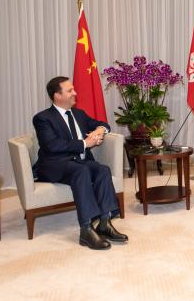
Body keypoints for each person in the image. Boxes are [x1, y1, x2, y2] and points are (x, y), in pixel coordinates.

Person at [33, 76, 128, 250]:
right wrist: (85, 143)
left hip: (79, 162)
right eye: (70, 90)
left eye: (73, 89)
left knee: (102, 170)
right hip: (54, 164)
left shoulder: (79, 114)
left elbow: (103, 124)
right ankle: (86, 228)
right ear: (57, 96)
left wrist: (99, 130)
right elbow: (52, 145)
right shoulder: (43, 118)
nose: (75, 93)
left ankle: (105, 223)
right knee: (81, 171)